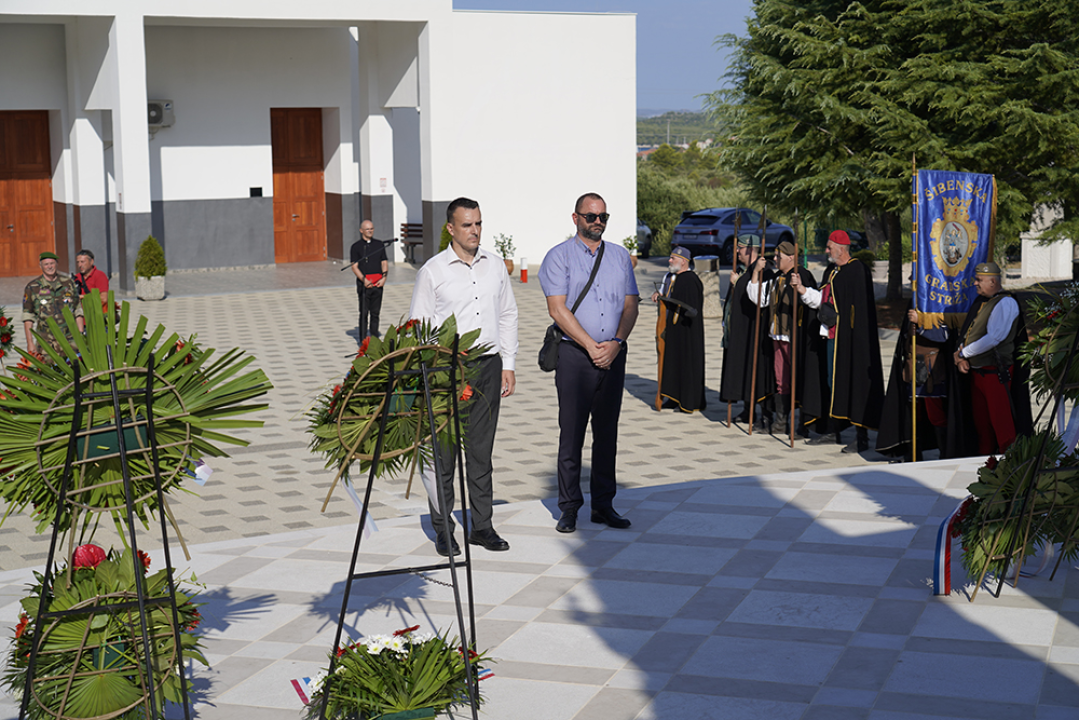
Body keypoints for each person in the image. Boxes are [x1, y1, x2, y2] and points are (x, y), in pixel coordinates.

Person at [409, 197, 518, 557]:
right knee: (443, 455)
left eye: (479, 224)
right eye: (468, 225)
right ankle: (443, 529)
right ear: (450, 228)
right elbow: (419, 328)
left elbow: (507, 314)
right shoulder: (433, 272)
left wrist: (508, 363)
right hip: (445, 371)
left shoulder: (495, 267)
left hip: (487, 366)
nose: (475, 231)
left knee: (480, 453)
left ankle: (482, 527)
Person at [539, 192, 639, 534]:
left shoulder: (621, 257)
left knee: (607, 434)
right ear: (576, 218)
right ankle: (569, 508)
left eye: (603, 217)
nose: (597, 222)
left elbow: (630, 305)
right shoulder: (559, 257)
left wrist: (616, 343)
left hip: (613, 355)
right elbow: (557, 309)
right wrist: (591, 345)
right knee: (572, 435)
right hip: (574, 356)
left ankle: (603, 505)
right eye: (591, 216)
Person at [790, 230, 884, 453]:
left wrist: (848, 329)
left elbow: (859, 309)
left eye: (829, 247)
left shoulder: (857, 270)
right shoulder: (832, 271)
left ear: (841, 248)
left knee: (853, 383)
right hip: (831, 337)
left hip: (851, 340)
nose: (826, 250)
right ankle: (833, 430)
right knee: (832, 383)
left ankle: (861, 436)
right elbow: (822, 300)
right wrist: (801, 289)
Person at [952, 261, 1032, 455]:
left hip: (995, 374)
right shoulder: (982, 302)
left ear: (993, 282)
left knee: (1002, 425)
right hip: (979, 373)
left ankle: (1010, 468)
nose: (975, 284)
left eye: (979, 280)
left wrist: (964, 353)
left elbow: (995, 337)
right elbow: (970, 333)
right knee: (982, 426)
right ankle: (984, 465)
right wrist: (962, 358)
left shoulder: (1006, 302)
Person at [746, 241, 817, 435]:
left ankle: (803, 424)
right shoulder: (777, 278)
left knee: (799, 378)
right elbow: (759, 298)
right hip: (777, 335)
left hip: (795, 337)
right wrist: (755, 272)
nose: (775, 259)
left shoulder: (803, 275)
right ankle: (780, 422)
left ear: (791, 258)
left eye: (779, 256)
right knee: (781, 380)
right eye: (775, 256)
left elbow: (811, 302)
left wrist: (799, 288)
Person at [719, 233, 774, 430]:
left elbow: (758, 298)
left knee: (757, 371)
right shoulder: (742, 270)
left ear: (750, 249)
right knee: (742, 369)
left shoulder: (764, 271)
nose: (737, 252)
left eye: (740, 248)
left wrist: (738, 283)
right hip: (740, 330)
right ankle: (747, 408)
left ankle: (766, 415)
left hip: (755, 332)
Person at [652, 246, 705, 412]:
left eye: (673, 258)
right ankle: (673, 396)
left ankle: (687, 400)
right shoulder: (672, 278)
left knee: (686, 362)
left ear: (683, 261)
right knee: (673, 362)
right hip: (674, 329)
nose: (669, 261)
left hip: (686, 331)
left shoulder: (690, 280)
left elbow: (691, 307)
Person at [23, 251, 84, 356]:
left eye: (52, 263)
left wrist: (81, 334)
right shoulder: (32, 287)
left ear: (57, 264)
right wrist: (30, 343)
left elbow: (77, 309)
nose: (49, 267)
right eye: (46, 264)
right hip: (46, 344)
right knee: (48, 371)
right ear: (41, 266)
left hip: (70, 341)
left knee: (75, 371)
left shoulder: (68, 283)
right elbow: (28, 316)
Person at [350, 220, 388, 340]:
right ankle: (362, 340)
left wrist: (384, 278)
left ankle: (374, 337)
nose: (370, 231)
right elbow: (354, 266)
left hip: (378, 283)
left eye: (372, 228)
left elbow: (384, 262)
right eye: (367, 229)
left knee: (375, 313)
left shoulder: (379, 244)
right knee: (364, 313)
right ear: (361, 231)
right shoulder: (356, 247)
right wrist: (364, 280)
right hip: (364, 285)